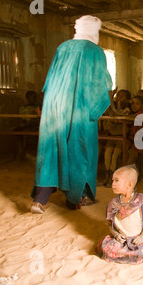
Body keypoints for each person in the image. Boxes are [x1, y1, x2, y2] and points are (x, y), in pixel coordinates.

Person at [30, 15, 112, 214]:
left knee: (51, 151)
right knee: (80, 151)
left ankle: (39, 201)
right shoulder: (95, 51)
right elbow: (101, 87)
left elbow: (50, 81)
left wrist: (49, 106)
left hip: (55, 108)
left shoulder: (62, 47)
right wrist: (94, 110)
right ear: (94, 31)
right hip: (79, 110)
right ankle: (75, 199)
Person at [96, 165, 143, 264]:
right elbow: (110, 224)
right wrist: (116, 235)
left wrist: (142, 236)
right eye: (112, 180)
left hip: (138, 238)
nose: (113, 184)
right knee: (107, 247)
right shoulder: (113, 203)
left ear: (129, 184)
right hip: (122, 239)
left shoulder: (142, 200)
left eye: (116, 180)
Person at [98, 89, 132, 187]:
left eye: (122, 96)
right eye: (118, 95)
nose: (120, 97)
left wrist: (112, 102)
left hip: (121, 136)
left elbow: (117, 116)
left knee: (115, 155)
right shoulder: (113, 107)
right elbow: (110, 112)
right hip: (112, 135)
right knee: (107, 154)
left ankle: (113, 177)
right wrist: (110, 101)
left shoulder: (127, 109)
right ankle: (107, 175)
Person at [13, 90, 41, 160]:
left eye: (35, 97)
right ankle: (21, 150)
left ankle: (23, 151)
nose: (35, 99)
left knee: (26, 132)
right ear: (27, 98)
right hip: (25, 125)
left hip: (34, 125)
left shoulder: (38, 107)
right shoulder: (23, 108)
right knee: (16, 132)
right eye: (33, 97)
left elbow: (40, 118)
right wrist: (23, 121)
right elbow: (21, 118)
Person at [126, 95, 143, 165]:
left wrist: (125, 114)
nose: (134, 106)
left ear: (142, 105)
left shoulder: (141, 114)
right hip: (132, 138)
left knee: (131, 154)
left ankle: (129, 170)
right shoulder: (133, 113)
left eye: (137, 104)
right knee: (123, 148)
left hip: (140, 139)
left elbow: (134, 117)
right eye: (133, 103)